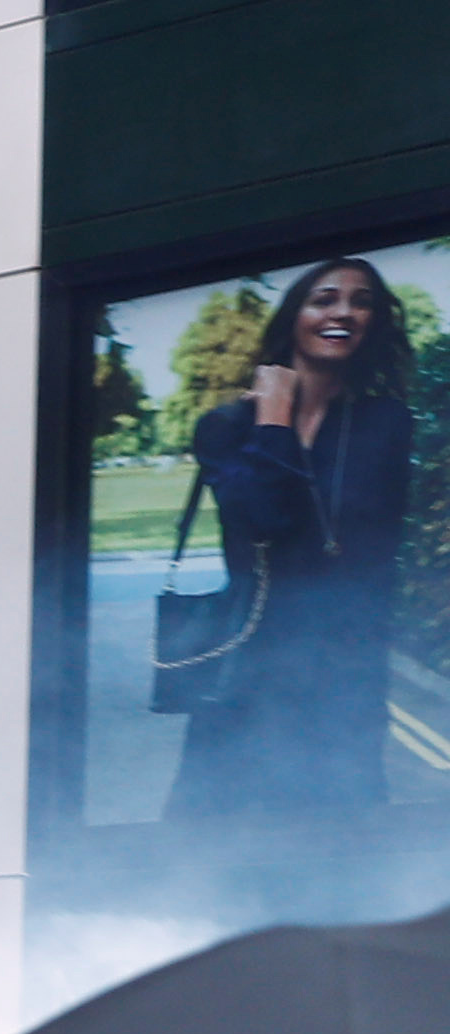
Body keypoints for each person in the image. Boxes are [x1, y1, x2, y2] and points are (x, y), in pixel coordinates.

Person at [172, 253, 420, 821]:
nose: (345, 312)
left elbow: (376, 548)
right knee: (219, 845)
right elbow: (263, 518)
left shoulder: (386, 422)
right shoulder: (226, 428)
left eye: (362, 303)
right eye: (325, 298)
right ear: (296, 316)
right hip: (247, 670)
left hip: (345, 672)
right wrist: (276, 418)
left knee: (340, 845)